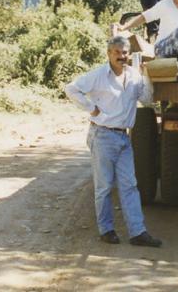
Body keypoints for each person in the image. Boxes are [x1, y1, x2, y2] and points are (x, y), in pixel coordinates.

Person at [64, 36, 163, 248]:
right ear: (109, 54)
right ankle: (106, 230)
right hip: (102, 135)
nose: (121, 56)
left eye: (125, 52)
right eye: (117, 52)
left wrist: (146, 76)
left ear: (129, 54)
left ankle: (138, 232)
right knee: (104, 186)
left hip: (124, 137)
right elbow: (71, 89)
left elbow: (147, 100)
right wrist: (91, 108)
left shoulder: (134, 75)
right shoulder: (99, 75)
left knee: (130, 186)